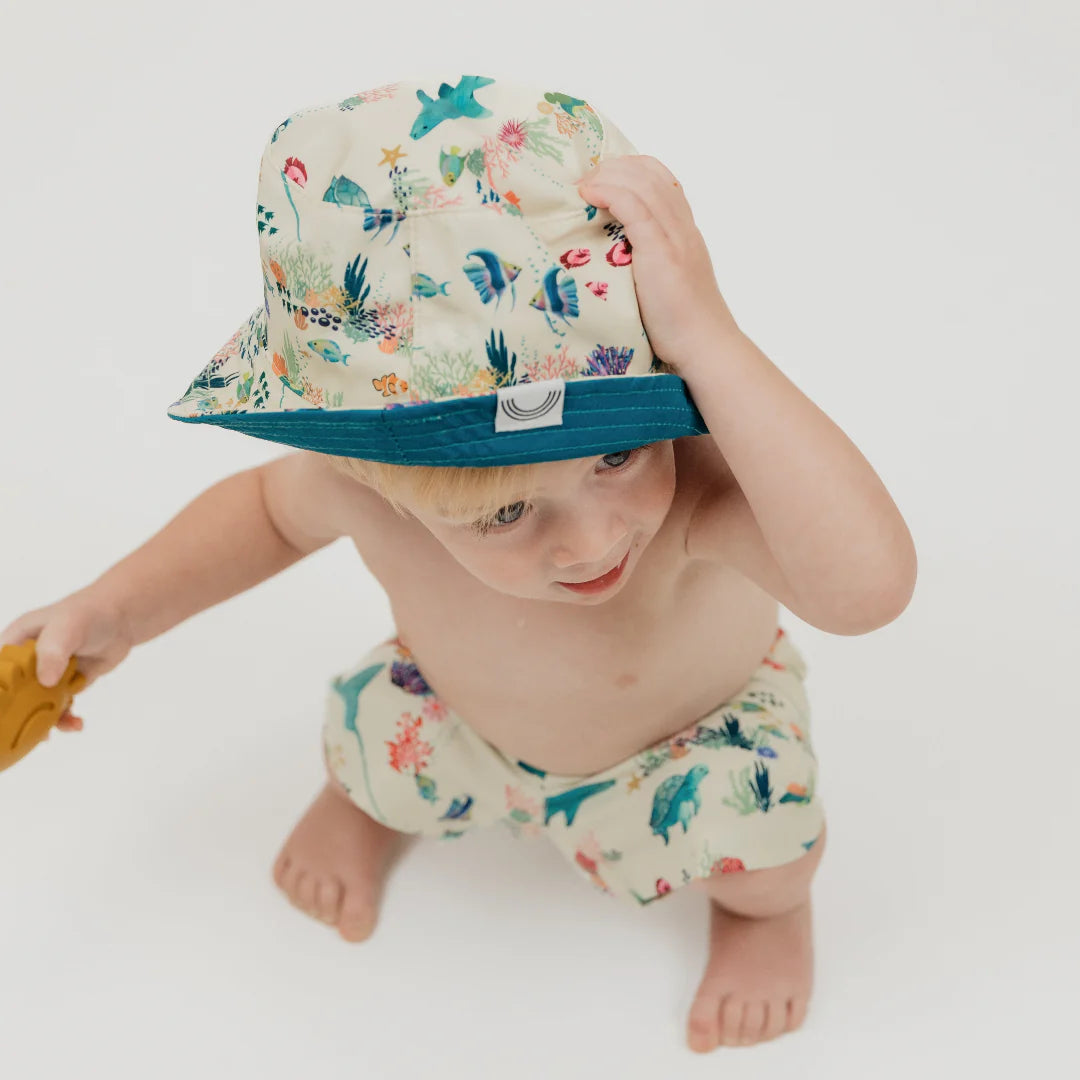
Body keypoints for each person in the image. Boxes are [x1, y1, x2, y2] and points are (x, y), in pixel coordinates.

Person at [0, 76, 916, 1052]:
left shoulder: (696, 487)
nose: (594, 541)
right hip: (457, 719)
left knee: (769, 851)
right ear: (383, 479)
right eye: (507, 512)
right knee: (375, 741)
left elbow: (867, 591)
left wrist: (710, 340)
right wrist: (117, 608)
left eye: (615, 455)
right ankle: (373, 805)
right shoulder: (373, 489)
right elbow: (263, 515)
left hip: (688, 748)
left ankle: (763, 916)